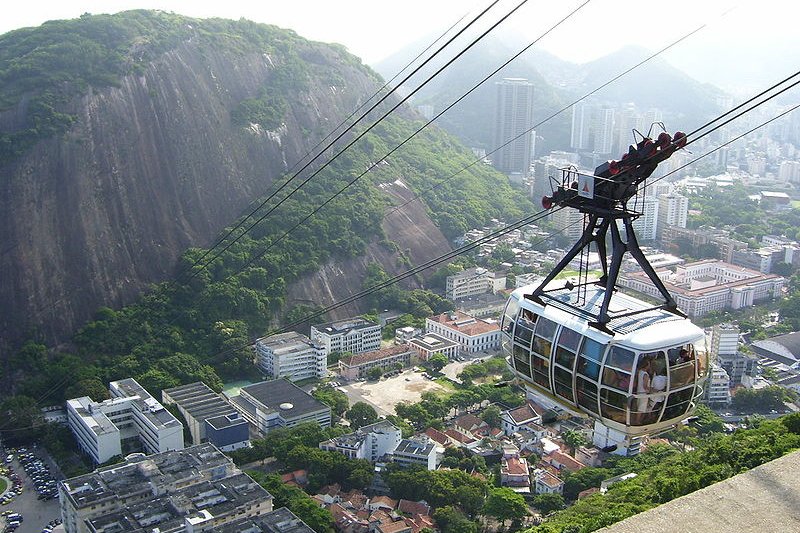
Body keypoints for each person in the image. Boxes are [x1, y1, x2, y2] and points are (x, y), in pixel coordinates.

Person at [635, 357, 651, 424]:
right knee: (641, 409)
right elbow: (645, 386)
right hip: (643, 394)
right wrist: (651, 390)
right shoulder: (645, 375)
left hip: (639, 392)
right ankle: (637, 421)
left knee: (639, 408)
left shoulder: (639, 372)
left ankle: (637, 420)